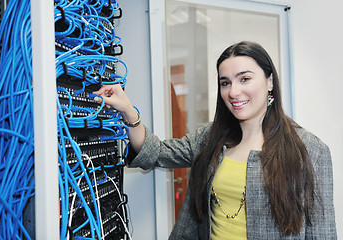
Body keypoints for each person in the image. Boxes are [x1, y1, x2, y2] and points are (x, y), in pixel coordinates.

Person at [93, 41, 337, 239]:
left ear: (269, 81)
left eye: (245, 79)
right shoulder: (211, 138)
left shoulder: (309, 150)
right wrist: (128, 112)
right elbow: (155, 152)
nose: (233, 92)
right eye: (225, 83)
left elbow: (323, 233)